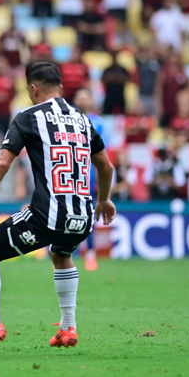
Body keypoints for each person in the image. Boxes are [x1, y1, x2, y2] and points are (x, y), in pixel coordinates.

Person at [0, 62, 116, 352]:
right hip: (82, 216)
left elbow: (3, 161)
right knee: (61, 254)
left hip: (47, 214)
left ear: (33, 88)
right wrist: (103, 198)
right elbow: (105, 165)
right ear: (61, 89)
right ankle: (67, 327)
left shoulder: (28, 117)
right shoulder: (83, 120)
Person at [73, 88, 104, 271]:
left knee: (88, 216)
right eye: (80, 97)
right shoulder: (68, 120)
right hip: (70, 176)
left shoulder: (98, 123)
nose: (83, 100)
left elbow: (103, 154)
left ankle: (90, 253)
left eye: (86, 97)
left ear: (91, 101)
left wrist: (101, 180)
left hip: (89, 178)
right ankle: (64, 253)